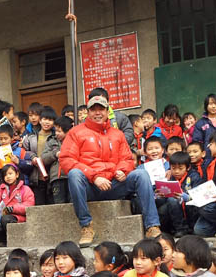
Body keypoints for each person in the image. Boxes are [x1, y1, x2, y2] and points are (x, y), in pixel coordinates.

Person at [59, 95, 161, 246]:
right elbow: (66, 159)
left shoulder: (117, 134)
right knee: (74, 174)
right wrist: (94, 177)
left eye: (101, 109)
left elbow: (127, 159)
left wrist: (122, 170)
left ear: (108, 112)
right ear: (88, 112)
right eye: (93, 110)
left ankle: (152, 226)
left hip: (114, 183)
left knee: (141, 174)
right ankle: (86, 226)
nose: (97, 113)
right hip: (90, 186)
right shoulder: (76, 132)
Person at [154, 151, 201, 238]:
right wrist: (159, 195)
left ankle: (183, 229)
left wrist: (185, 196)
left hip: (189, 209)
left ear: (188, 167)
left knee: (173, 200)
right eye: (173, 168)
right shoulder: (168, 177)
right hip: (173, 207)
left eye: (180, 168)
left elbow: (198, 196)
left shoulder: (194, 176)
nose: (176, 171)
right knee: (165, 205)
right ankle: (175, 229)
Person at [0, 164, 34, 246]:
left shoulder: (25, 189)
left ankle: (14, 240)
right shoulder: (1, 189)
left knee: (5, 219)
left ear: (17, 174)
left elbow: (29, 205)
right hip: (3, 215)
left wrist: (13, 208)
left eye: (10, 173)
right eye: (5, 175)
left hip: (19, 216)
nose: (8, 177)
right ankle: (2, 241)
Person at [22, 106, 57, 204]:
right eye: (45, 119)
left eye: (50, 120)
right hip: (36, 177)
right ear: (40, 120)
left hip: (52, 176)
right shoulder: (31, 137)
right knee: (39, 205)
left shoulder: (56, 137)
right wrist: (32, 157)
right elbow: (24, 152)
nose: (47, 122)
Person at [42, 116, 73, 204]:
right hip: (57, 178)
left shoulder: (75, 140)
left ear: (68, 130)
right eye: (56, 131)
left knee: (73, 202)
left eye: (59, 131)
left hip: (72, 176)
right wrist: (55, 154)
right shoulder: (51, 141)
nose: (57, 133)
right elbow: (44, 158)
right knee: (59, 203)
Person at [192, 94, 216, 161]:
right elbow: (197, 142)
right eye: (210, 104)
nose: (213, 106)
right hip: (207, 157)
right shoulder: (200, 123)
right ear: (206, 105)